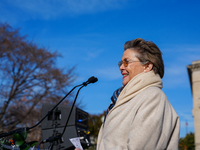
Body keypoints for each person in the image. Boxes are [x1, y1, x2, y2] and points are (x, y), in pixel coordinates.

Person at [75, 38, 180, 150]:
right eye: (120, 63)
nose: (121, 67)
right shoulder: (122, 100)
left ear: (147, 66)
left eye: (126, 62)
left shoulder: (153, 97)